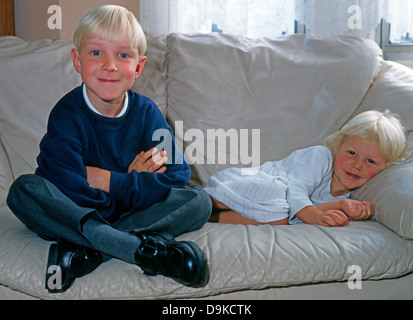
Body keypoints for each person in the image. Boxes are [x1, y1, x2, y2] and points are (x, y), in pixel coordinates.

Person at [6, 5, 211, 293]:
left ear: (138, 67)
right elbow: (68, 188)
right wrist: (132, 188)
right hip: (79, 211)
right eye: (96, 53)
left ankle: (87, 251)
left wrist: (109, 180)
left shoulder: (147, 113)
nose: (109, 65)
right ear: (77, 60)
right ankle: (145, 251)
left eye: (123, 55)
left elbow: (177, 174)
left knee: (199, 200)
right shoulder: (66, 114)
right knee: (25, 190)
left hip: (93, 220)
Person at [206, 110, 409, 227]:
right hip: (240, 182)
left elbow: (297, 209)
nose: (357, 165)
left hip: (265, 206)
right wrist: (316, 217)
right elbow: (295, 192)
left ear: (384, 168)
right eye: (352, 153)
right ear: (338, 147)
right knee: (277, 193)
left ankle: (205, 218)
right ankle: (197, 200)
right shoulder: (321, 157)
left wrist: (341, 205)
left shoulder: (349, 192)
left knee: (281, 219)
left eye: (370, 161)